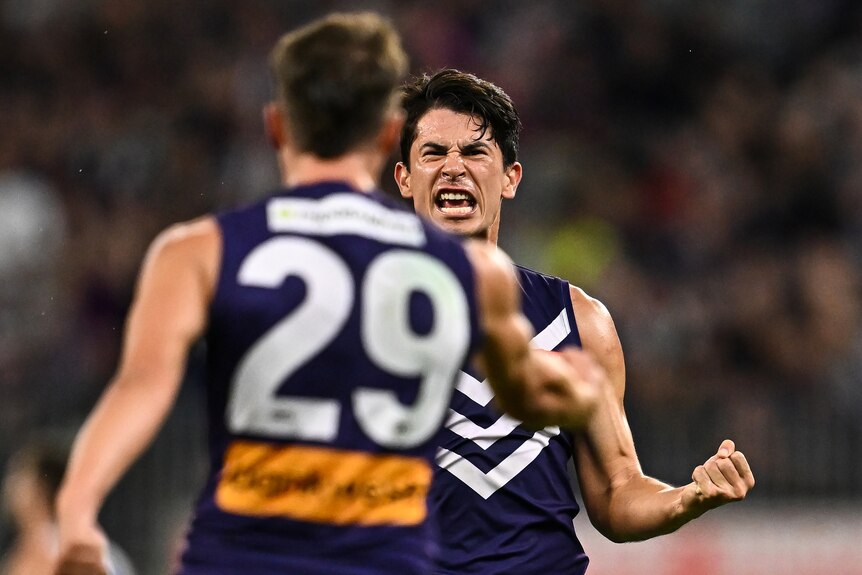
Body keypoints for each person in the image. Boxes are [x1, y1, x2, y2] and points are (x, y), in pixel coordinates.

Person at [52, 14, 607, 575]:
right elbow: (527, 392)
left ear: (276, 128)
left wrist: (76, 518)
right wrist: (575, 391)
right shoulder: (465, 270)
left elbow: (139, 389)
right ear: (389, 137)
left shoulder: (199, 250)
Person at [395, 68, 756, 575]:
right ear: (405, 177)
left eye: (475, 152)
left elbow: (615, 490)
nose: (454, 167)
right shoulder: (353, 322)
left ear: (510, 178)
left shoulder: (579, 322)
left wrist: (689, 497)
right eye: (434, 153)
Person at [0, 436, 135, 575]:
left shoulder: (64, 543)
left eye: (21, 477)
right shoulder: (25, 546)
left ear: (41, 489)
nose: (11, 485)